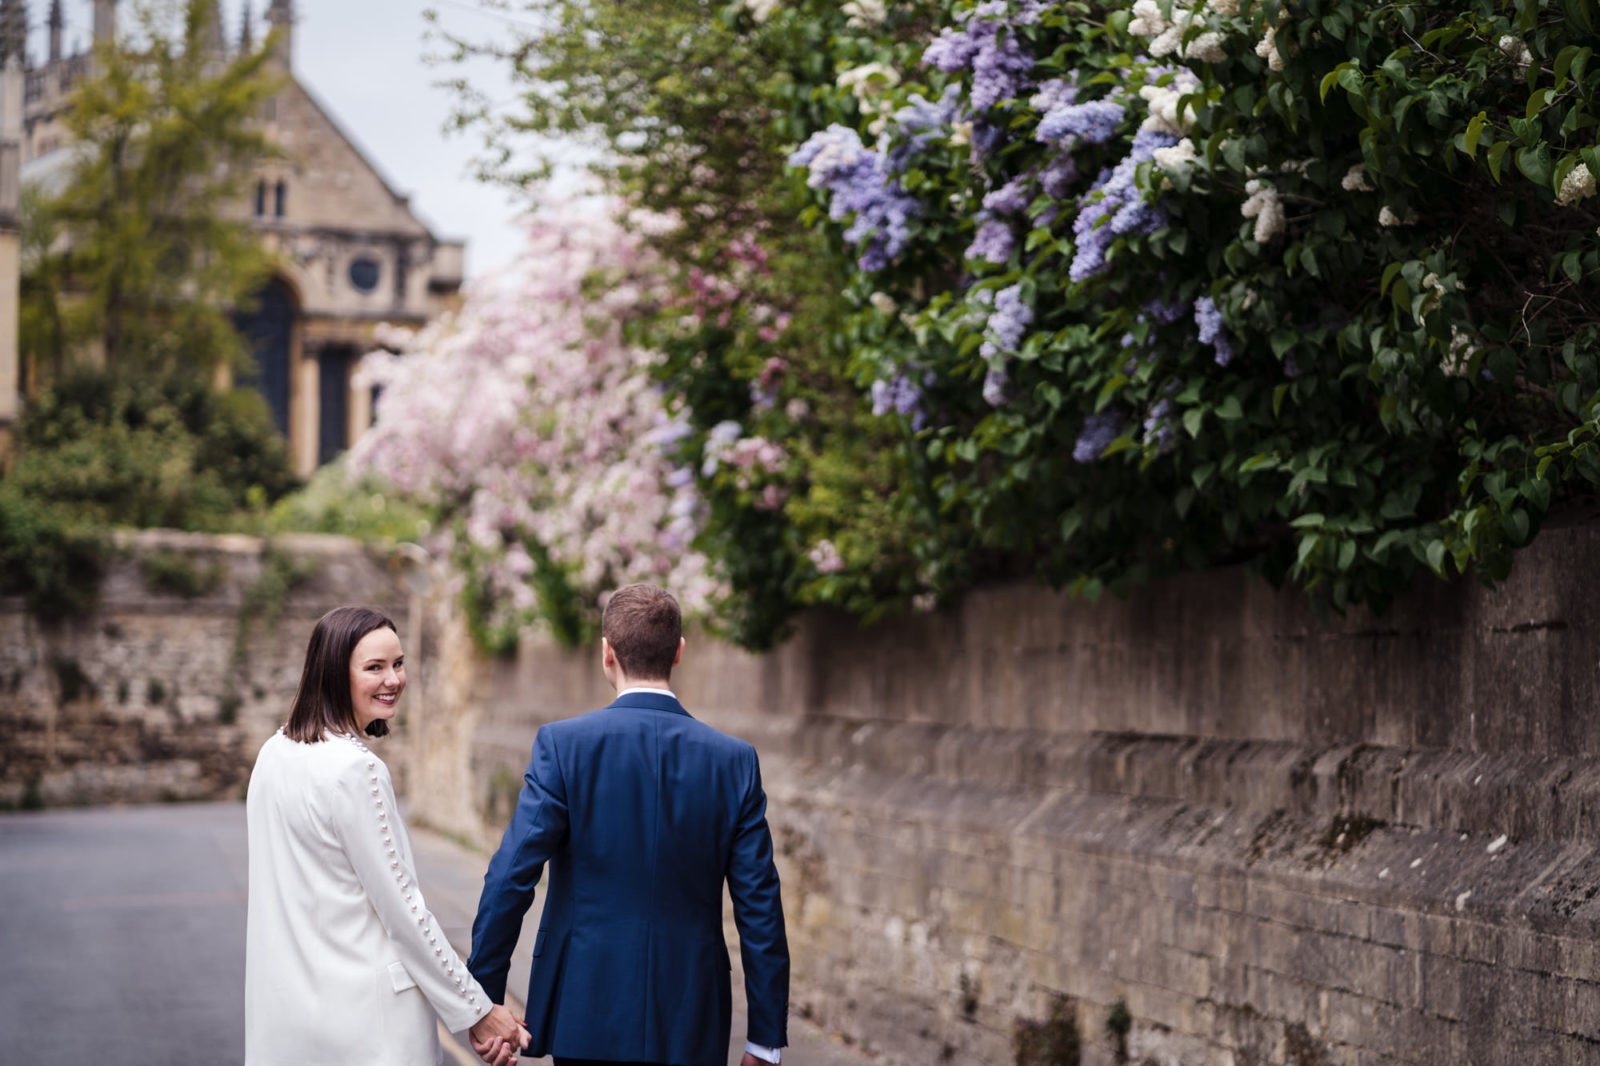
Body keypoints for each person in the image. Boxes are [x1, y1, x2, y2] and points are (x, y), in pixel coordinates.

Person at [467, 583, 790, 1066]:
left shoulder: (564, 746)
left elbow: (511, 875)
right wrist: (763, 1040)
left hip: (584, 1008)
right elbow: (760, 907)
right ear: (679, 652)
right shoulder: (734, 761)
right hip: (692, 1016)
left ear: (606, 653)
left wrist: (483, 999)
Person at [245, 605, 530, 1065]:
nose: (394, 679)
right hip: (366, 1027)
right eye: (374, 667)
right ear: (334, 673)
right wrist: (477, 1010)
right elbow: (404, 913)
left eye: (398, 663)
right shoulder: (357, 770)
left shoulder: (273, 754)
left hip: (288, 1020)